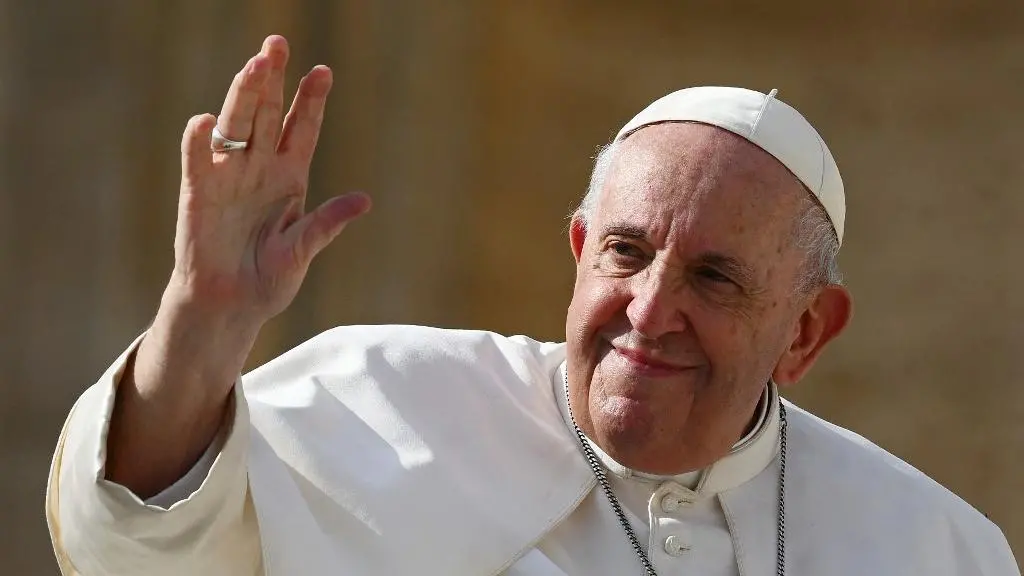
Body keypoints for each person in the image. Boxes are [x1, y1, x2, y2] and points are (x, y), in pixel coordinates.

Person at [45, 34, 1018, 576]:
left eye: (713, 279)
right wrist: (201, 321)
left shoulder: (934, 550)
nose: (648, 308)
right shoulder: (381, 399)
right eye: (625, 254)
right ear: (578, 252)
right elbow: (132, 549)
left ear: (804, 332)